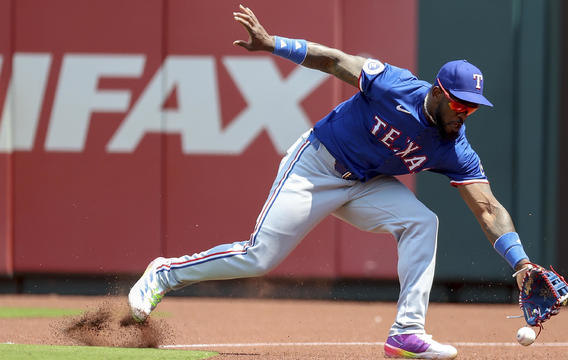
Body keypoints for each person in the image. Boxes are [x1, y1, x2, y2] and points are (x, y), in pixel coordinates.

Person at [128, 5, 537, 359]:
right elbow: (332, 60)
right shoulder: (394, 84)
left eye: (473, 108)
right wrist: (272, 44)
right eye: (460, 103)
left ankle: (406, 332)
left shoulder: (456, 148)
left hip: (365, 184)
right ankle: (164, 274)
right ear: (438, 92)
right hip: (316, 167)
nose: (465, 113)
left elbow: (487, 207)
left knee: (423, 222)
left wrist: (521, 264)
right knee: (259, 257)